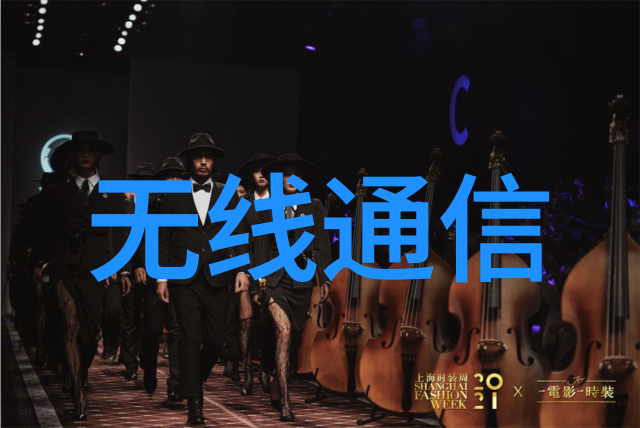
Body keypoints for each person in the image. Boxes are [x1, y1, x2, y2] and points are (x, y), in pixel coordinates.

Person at [155, 133, 251, 425]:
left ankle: (193, 379)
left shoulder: (229, 193)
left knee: (215, 341)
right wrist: (161, 276)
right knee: (189, 338)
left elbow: (239, 233)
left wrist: (242, 270)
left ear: (214, 161)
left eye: (208, 157)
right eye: (198, 157)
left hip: (218, 275)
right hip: (183, 277)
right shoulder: (174, 194)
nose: (203, 161)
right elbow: (163, 238)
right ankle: (194, 404)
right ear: (190, 161)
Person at [49, 131, 132, 420]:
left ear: (98, 156)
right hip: (65, 262)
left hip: (97, 266)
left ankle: (81, 370)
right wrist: (43, 266)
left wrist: (122, 268)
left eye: (90, 149)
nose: (85, 154)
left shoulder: (113, 191)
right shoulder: (60, 192)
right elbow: (48, 231)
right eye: (80, 150)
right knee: (70, 325)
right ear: (72, 156)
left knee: (88, 335)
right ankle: (78, 394)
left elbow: (120, 232)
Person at [251, 153, 332, 422]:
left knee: (292, 340)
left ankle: (273, 373)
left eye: (296, 174)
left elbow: (322, 245)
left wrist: (325, 279)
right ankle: (286, 403)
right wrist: (256, 286)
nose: (292, 179)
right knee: (284, 333)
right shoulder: (267, 208)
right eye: (286, 174)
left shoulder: (314, 206)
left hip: (302, 281)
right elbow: (260, 248)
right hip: (274, 281)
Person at [221, 153, 276, 395]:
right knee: (246, 322)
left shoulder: (281, 201)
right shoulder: (243, 203)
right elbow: (236, 238)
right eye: (257, 170)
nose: (261, 174)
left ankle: (265, 370)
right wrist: (240, 269)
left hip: (273, 267)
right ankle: (247, 374)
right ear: (251, 176)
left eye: (265, 170)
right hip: (246, 265)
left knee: (269, 323)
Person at [132, 157, 185, 401]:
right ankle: (150, 371)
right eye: (168, 177)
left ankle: (174, 383)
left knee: (177, 332)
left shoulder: (192, 207)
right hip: (153, 277)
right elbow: (139, 238)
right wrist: (139, 265)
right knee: (152, 331)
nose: (173, 181)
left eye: (178, 177)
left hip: (182, 278)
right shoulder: (150, 207)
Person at [119, 162, 157, 380]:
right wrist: (131, 268)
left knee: (150, 320)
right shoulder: (125, 207)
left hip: (153, 271)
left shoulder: (158, 207)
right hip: (131, 270)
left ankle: (144, 357)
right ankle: (130, 364)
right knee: (130, 318)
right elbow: (123, 240)